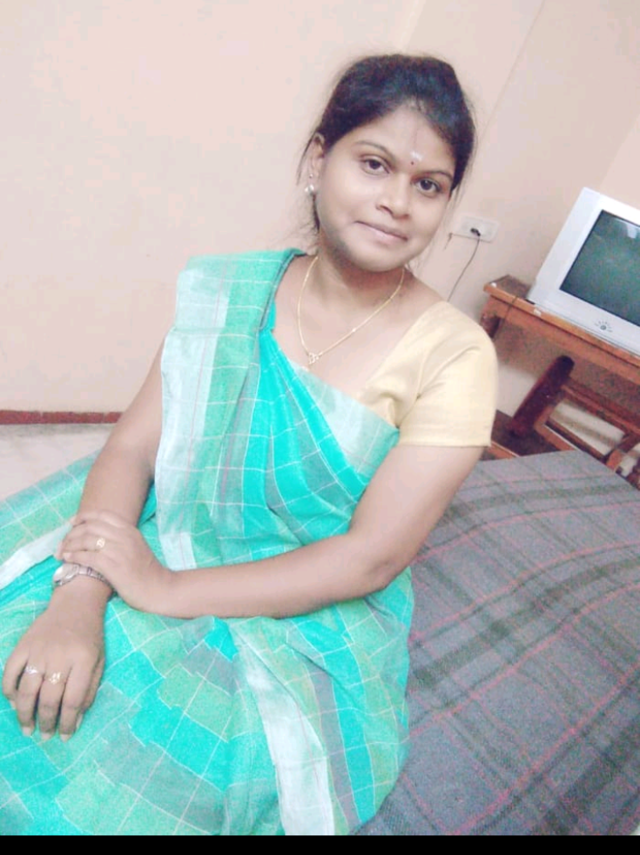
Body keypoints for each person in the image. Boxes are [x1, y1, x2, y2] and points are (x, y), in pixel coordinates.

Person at [0, 54, 497, 835]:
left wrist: (164, 588)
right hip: (173, 522)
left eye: (429, 184)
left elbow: (369, 557)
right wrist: (80, 592)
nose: (398, 203)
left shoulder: (457, 357)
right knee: (29, 649)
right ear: (317, 160)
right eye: (374, 164)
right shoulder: (229, 292)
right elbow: (131, 450)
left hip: (301, 608)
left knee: (99, 766)